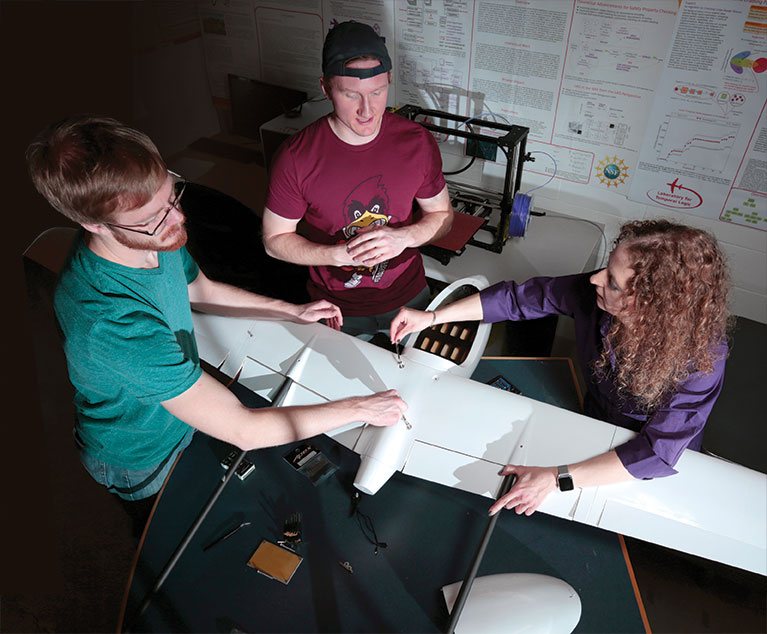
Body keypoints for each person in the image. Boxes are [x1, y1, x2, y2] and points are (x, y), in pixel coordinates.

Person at [26, 115, 406, 535]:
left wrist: (289, 310)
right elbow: (243, 429)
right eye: (154, 217)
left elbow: (199, 289)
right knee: (162, 534)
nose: (177, 220)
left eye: (172, 196)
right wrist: (359, 408)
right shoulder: (109, 321)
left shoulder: (152, 238)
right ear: (94, 225)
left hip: (178, 415)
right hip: (139, 450)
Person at [390, 219, 731, 517]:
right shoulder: (592, 294)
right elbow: (518, 299)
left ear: (650, 305)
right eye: (605, 268)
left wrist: (557, 477)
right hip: (592, 419)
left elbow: (657, 452)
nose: (596, 279)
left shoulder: (702, 358)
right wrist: (433, 317)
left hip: (640, 458)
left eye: (612, 281)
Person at [261, 20, 453, 339]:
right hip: (335, 310)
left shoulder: (416, 143)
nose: (367, 110)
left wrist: (404, 237)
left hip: (410, 300)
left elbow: (443, 217)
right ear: (325, 88)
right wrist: (336, 255)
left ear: (389, 80)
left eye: (377, 92)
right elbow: (274, 242)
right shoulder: (296, 157)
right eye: (351, 95)